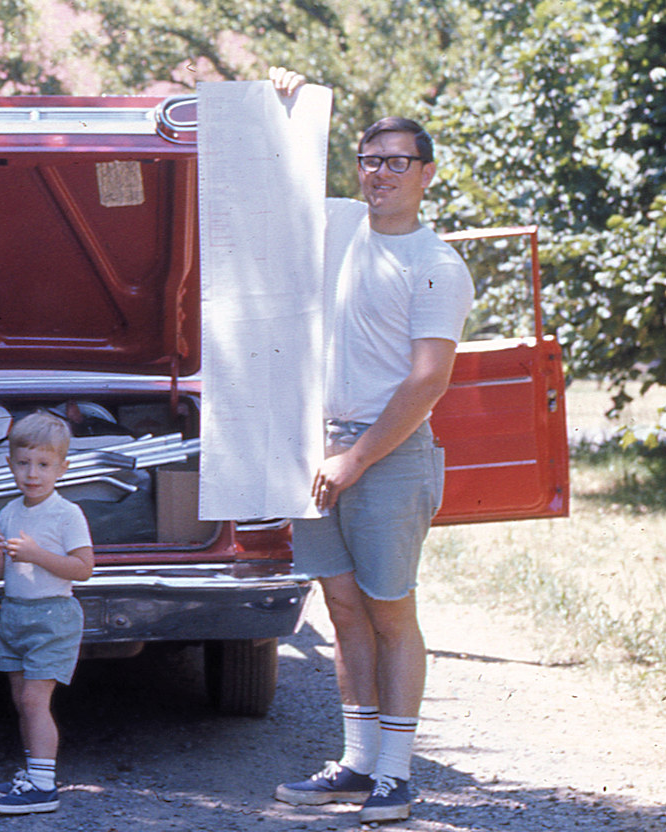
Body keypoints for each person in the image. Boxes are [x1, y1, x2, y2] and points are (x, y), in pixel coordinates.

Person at [269, 68, 474, 825]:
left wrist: (356, 459)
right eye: (369, 158)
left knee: (391, 612)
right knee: (344, 608)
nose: (380, 172)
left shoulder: (436, 264)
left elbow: (426, 383)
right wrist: (284, 103)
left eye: (397, 161)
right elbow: (273, 178)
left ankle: (396, 773)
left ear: (426, 174)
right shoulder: (338, 226)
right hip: (318, 449)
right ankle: (355, 765)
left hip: (386, 456)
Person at [0, 411, 96, 816]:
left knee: (34, 700)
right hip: (14, 615)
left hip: (53, 617)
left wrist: (36, 554)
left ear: (62, 468)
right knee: (21, 700)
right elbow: (0, 575)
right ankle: (32, 773)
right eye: (24, 463)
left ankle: (44, 787)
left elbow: (83, 568)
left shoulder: (67, 514)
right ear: (10, 463)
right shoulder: (10, 511)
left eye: (44, 465)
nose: (33, 473)